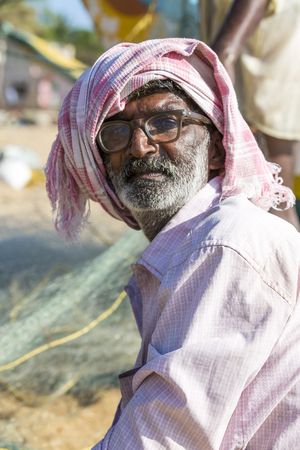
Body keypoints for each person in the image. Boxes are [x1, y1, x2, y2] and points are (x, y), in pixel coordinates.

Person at [46, 38, 300, 449]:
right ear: (101, 167)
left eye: (166, 123)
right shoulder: (198, 246)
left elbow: (163, 437)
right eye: (115, 132)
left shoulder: (224, 244)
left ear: (217, 150)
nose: (140, 145)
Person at [199, 0, 300, 230]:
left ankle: (288, 264)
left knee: (272, 200)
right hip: (252, 62)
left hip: (262, 67)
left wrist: (225, 51)